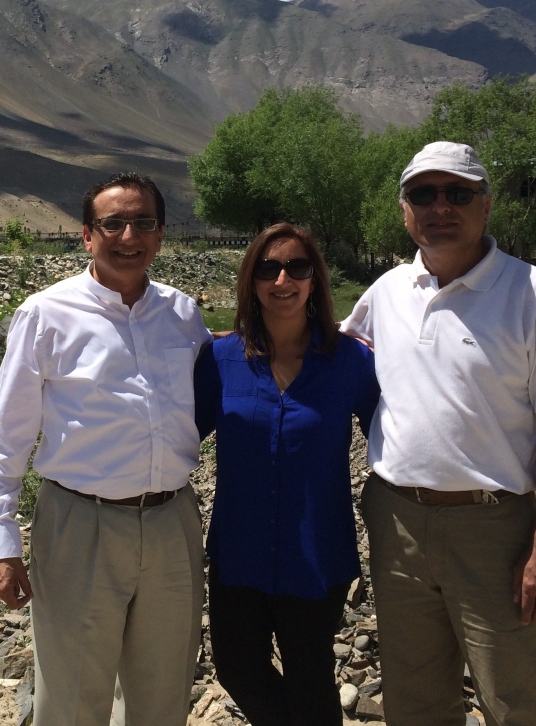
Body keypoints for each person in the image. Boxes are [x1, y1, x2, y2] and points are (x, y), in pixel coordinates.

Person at [340, 141, 536, 726]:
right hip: (395, 518)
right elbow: (324, 351)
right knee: (414, 692)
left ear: (486, 203)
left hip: (494, 526)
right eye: (423, 195)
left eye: (458, 193)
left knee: (513, 695)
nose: (440, 207)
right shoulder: (386, 293)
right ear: (404, 209)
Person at [0, 172, 212, 726]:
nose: (129, 235)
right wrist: (1, 544)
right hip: (81, 524)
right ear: (86, 235)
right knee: (73, 696)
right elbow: (6, 439)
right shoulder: (44, 315)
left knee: (165, 692)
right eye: (113, 223)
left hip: (173, 522)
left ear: (161, 233)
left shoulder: (183, 315)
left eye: (143, 223)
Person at [194, 223, 379, 726]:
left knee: (310, 677)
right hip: (238, 551)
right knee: (237, 668)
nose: (283, 280)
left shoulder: (351, 361)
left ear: (315, 279)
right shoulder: (220, 358)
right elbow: (177, 434)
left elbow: (399, 434)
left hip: (316, 554)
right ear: (251, 281)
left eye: (297, 267)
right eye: (268, 268)